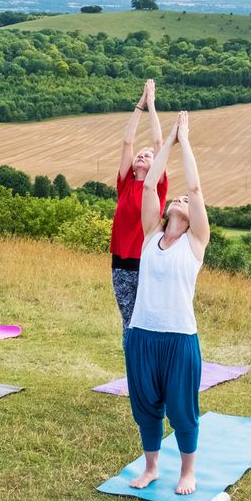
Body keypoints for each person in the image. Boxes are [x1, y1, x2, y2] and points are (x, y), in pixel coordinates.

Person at [126, 112, 210, 495]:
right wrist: (168, 142)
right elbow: (148, 188)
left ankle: (187, 471)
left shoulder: (195, 243)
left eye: (183, 202)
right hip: (142, 333)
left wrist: (185, 141)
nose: (178, 200)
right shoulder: (149, 237)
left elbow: (193, 187)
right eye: (172, 199)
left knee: (181, 409)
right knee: (145, 406)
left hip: (179, 338)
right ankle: (152, 467)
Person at [109, 78, 167, 347]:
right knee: (128, 322)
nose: (143, 154)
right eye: (140, 155)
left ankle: (149, 371)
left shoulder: (156, 186)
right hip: (121, 262)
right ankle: (133, 373)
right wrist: (139, 105)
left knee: (147, 321)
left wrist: (152, 104)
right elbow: (126, 142)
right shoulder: (125, 185)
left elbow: (158, 142)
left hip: (146, 262)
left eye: (149, 155)